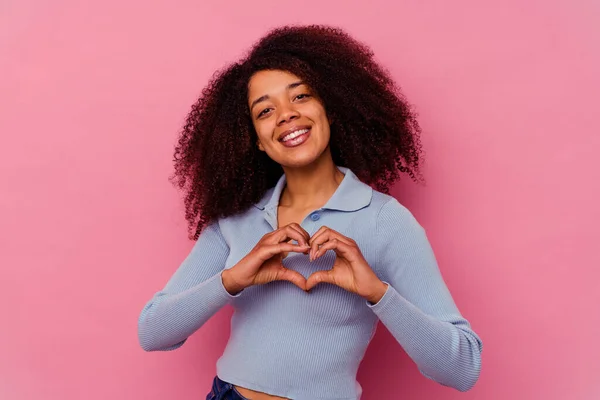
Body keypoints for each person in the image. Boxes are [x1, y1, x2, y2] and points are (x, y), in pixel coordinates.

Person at [137, 25, 483, 400]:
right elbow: (153, 332)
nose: (286, 115)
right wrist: (235, 278)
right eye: (265, 110)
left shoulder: (385, 220)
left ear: (329, 109)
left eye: (300, 96)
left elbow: (462, 367)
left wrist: (377, 293)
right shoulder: (238, 219)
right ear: (254, 138)